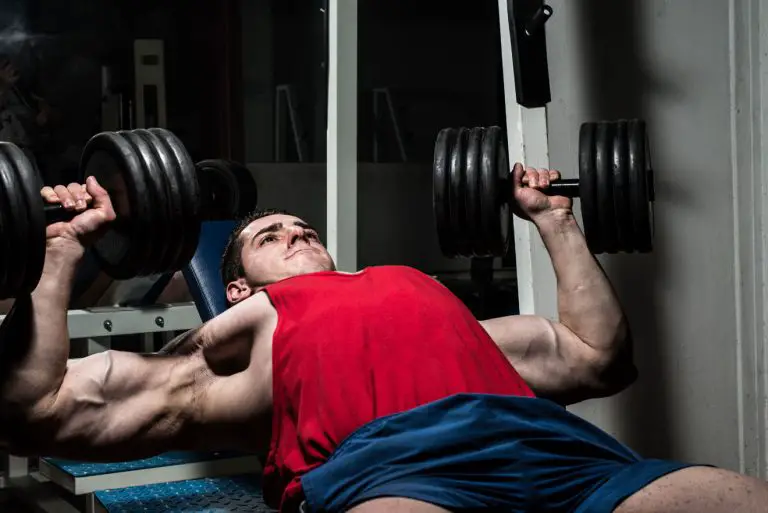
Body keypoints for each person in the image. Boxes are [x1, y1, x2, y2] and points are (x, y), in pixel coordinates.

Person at [0, 166, 766, 513]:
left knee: (741, 498)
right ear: (237, 286)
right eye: (273, 234)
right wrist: (63, 250)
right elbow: (43, 408)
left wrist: (555, 222)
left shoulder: (427, 299)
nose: (299, 232)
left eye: (306, 228)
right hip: (394, 476)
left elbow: (598, 356)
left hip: (557, 452)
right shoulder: (237, 340)